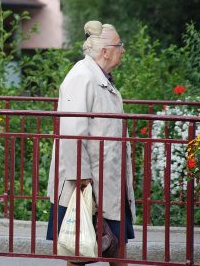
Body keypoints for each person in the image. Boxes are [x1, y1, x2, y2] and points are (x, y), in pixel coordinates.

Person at [46, 21, 136, 266]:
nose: (123, 50)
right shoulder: (82, 76)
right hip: (88, 181)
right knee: (80, 249)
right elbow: (71, 129)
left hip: (106, 181)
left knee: (110, 247)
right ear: (105, 51)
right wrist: (81, 177)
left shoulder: (98, 76)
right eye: (120, 45)